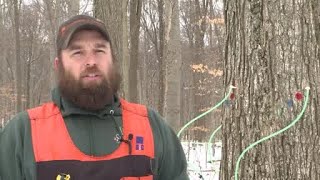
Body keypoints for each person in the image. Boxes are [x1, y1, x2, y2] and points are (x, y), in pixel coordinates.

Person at [0, 15, 189, 180]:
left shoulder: (151, 127)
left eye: (99, 50)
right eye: (78, 52)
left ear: (112, 60)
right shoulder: (23, 134)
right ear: (58, 65)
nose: (91, 61)